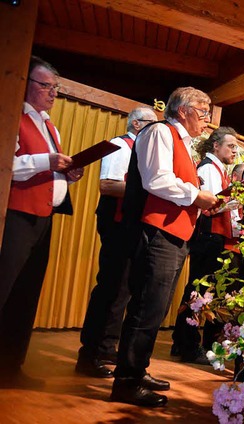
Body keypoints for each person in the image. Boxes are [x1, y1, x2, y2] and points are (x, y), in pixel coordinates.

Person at [110, 87, 218, 407]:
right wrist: (196, 196)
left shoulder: (183, 142)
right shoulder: (160, 131)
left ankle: (137, 369)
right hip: (156, 232)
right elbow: (156, 180)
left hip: (175, 234)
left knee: (155, 309)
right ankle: (126, 381)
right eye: (203, 111)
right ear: (182, 110)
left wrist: (199, 203)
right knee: (145, 308)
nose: (207, 120)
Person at [0, 56, 84, 387]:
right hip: (17, 215)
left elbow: (47, 169)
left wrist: (68, 172)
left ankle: (10, 366)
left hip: (44, 218)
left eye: (55, 87)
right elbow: (9, 163)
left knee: (27, 292)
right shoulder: (11, 115)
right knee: (5, 289)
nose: (53, 92)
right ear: (27, 84)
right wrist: (46, 160)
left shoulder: (51, 125)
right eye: (46, 85)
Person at [76, 107, 158, 378]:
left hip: (131, 224)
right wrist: (149, 189)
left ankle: (108, 345)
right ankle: (90, 353)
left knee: (124, 288)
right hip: (116, 222)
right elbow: (108, 185)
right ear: (136, 124)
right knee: (110, 287)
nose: (155, 131)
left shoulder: (142, 150)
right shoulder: (121, 146)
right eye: (150, 124)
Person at [171, 126, 240, 364]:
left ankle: (182, 342)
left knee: (203, 291)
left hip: (215, 236)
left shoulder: (219, 169)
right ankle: (188, 344)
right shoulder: (209, 168)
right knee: (198, 291)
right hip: (208, 236)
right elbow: (208, 204)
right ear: (216, 146)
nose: (235, 150)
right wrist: (230, 204)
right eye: (231, 146)